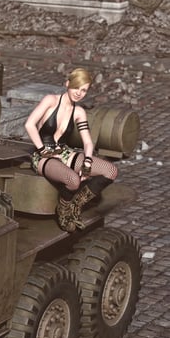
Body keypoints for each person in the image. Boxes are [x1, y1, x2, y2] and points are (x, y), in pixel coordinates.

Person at [25, 67, 118, 232]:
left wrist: (87, 162)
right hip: (43, 155)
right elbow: (29, 125)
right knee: (73, 181)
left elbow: (88, 142)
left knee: (111, 171)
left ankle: (75, 205)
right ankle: (63, 208)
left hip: (65, 152)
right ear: (67, 84)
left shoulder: (79, 112)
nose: (79, 93)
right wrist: (42, 150)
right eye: (76, 88)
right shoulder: (50, 100)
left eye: (84, 90)